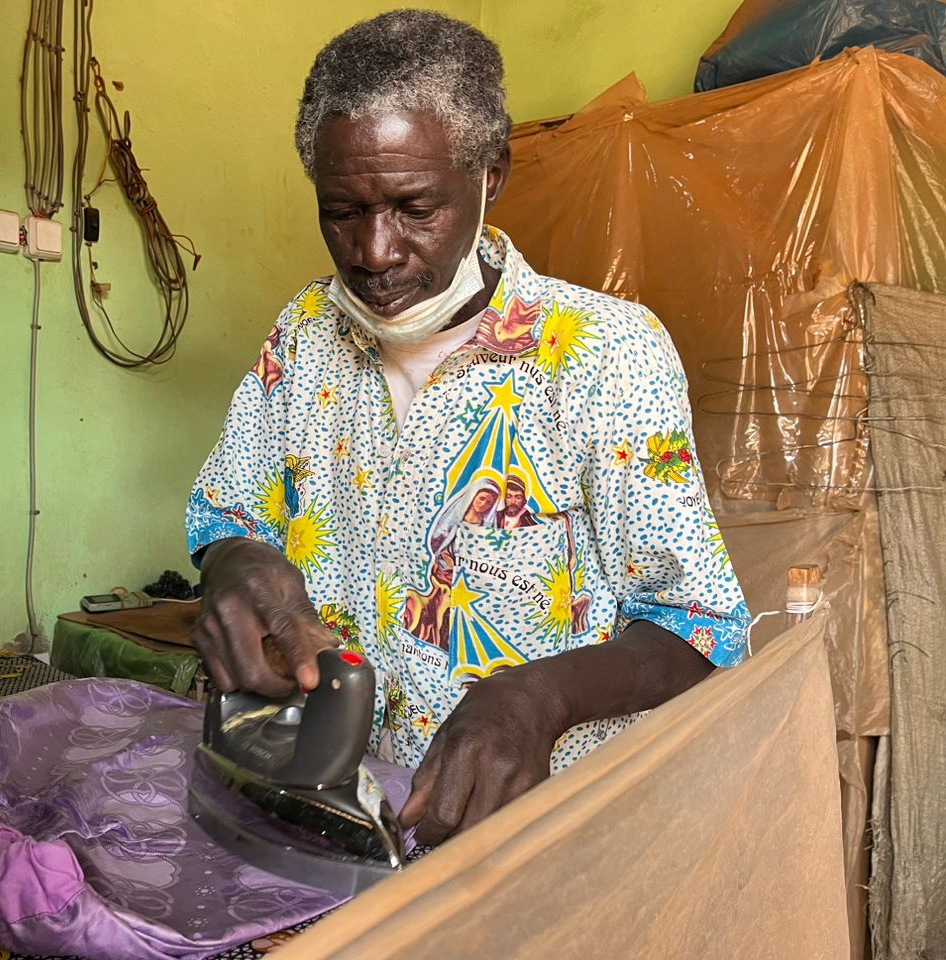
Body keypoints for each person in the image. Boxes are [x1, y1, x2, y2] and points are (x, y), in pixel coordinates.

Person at [186, 10, 749, 846]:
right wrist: (237, 569)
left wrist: (535, 698)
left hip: (532, 836)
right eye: (342, 211)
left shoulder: (604, 356)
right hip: (335, 816)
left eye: (415, 207)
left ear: (492, 176)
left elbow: (697, 626)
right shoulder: (304, 335)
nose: (375, 252)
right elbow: (227, 516)